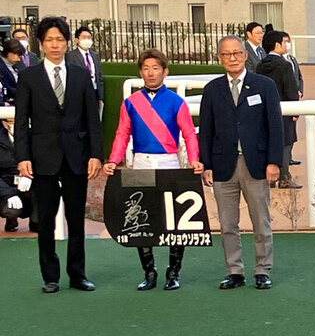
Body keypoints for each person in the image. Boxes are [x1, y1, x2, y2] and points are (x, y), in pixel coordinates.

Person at [15, 16, 103, 293]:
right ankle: (50, 277)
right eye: (50, 40)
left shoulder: (80, 75)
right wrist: (23, 156)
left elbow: (92, 119)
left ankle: (77, 275)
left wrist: (95, 155)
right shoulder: (29, 77)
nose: (55, 45)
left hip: (77, 157)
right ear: (41, 44)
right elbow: (21, 121)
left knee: (76, 218)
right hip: (43, 159)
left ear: (67, 43)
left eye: (60, 40)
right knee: (46, 220)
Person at [103, 49, 204, 291]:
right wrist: (114, 160)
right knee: (140, 218)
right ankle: (149, 271)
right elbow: (122, 134)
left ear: (165, 72)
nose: (151, 73)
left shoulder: (176, 102)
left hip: (169, 163)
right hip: (141, 163)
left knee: (175, 220)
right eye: (146, 68)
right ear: (140, 72)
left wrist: (194, 159)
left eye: (155, 68)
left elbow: (189, 133)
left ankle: (174, 272)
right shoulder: (131, 103)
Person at [199, 36, 283, 290]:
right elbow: (206, 130)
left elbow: (275, 127)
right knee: (227, 224)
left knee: (261, 220)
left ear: (246, 56)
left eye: (237, 53)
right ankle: (234, 271)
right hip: (223, 165)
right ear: (219, 58)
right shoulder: (213, 89)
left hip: (255, 163)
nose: (232, 58)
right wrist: (207, 164)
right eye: (226, 55)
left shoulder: (264, 85)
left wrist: (274, 162)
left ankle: (262, 270)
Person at [255, 29, 302, 189]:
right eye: (284, 42)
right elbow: (290, 88)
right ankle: (284, 177)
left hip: (264, 110)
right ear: (277, 45)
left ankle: (270, 178)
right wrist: (295, 110)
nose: (287, 45)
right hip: (284, 110)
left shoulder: (261, 64)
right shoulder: (284, 65)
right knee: (286, 142)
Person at [0, 117, 36, 233]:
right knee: (11, 209)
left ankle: (36, 221)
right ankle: (11, 219)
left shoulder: (34, 134)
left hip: (28, 180)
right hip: (6, 183)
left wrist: (29, 175)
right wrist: (8, 194)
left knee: (44, 190)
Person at [65, 26, 105, 116]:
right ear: (77, 40)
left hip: (94, 92)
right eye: (84, 37)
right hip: (79, 94)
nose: (87, 40)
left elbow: (99, 76)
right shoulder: (70, 56)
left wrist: (101, 97)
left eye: (89, 37)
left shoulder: (95, 55)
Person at [282, 32, 303, 166]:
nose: (287, 44)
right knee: (286, 134)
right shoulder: (280, 62)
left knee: (292, 133)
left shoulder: (292, 59)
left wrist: (300, 90)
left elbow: (299, 77)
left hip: (295, 98)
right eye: (285, 41)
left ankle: (289, 157)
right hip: (286, 102)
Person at [0, 38, 24, 104]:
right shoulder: (1, 67)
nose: (19, 59)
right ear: (9, 52)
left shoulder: (19, 65)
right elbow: (6, 88)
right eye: (18, 55)